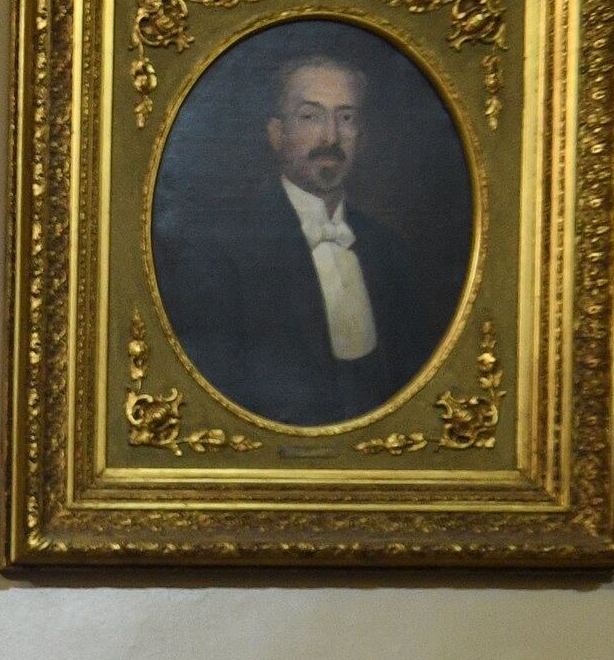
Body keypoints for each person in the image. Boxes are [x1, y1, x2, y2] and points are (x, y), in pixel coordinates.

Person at [153, 49, 456, 426]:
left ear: (360, 135)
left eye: (345, 117)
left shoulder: (388, 249)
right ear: (277, 134)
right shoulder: (221, 249)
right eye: (310, 116)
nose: (330, 136)